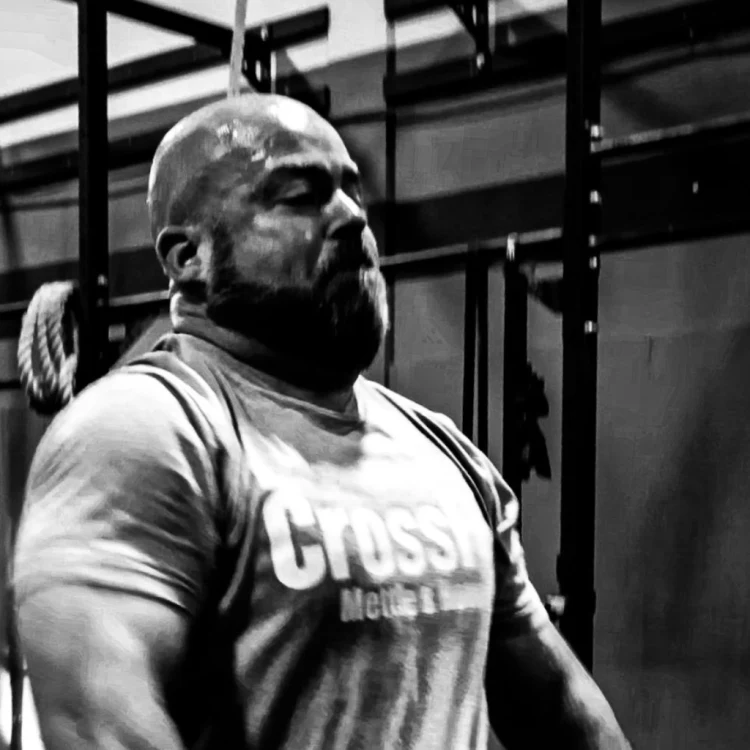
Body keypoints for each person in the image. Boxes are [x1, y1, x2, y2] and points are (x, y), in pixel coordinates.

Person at [11, 94, 631, 750]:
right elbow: (96, 725)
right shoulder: (145, 432)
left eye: (351, 192)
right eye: (299, 196)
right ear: (187, 257)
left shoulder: (443, 450)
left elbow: (558, 704)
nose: (351, 216)